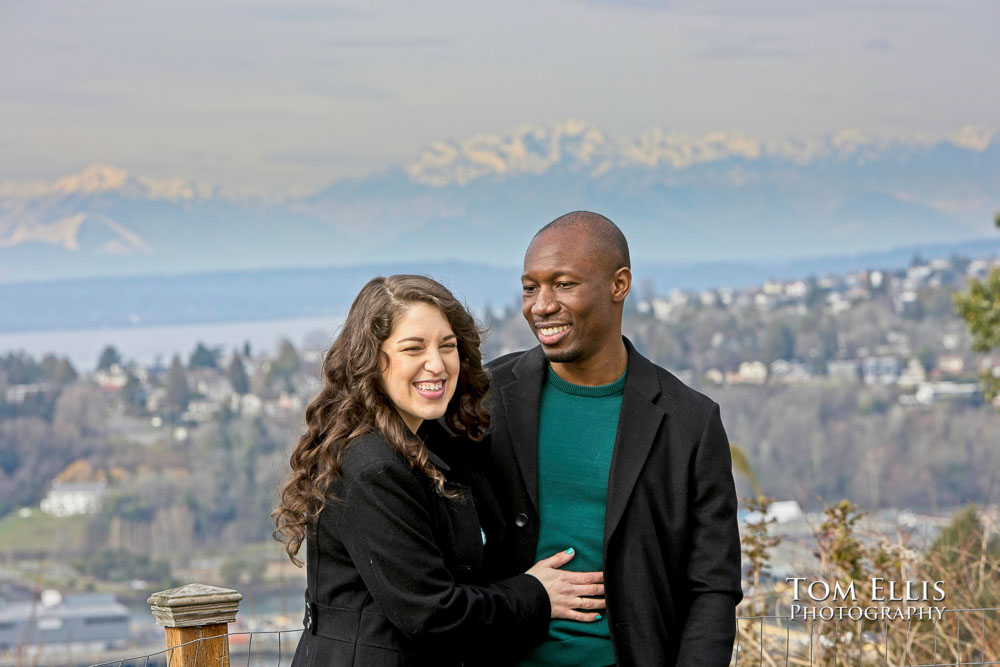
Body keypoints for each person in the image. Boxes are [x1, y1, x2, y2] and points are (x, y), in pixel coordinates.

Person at [272, 274, 605, 666]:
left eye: (447, 346)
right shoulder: (374, 465)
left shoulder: (425, 441)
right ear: (371, 359)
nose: (437, 364)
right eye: (413, 348)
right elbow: (432, 613)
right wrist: (536, 593)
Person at [481, 212, 743, 666]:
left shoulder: (689, 422)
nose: (541, 305)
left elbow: (712, 587)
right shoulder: (484, 399)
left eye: (563, 284)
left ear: (619, 284)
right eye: (530, 287)